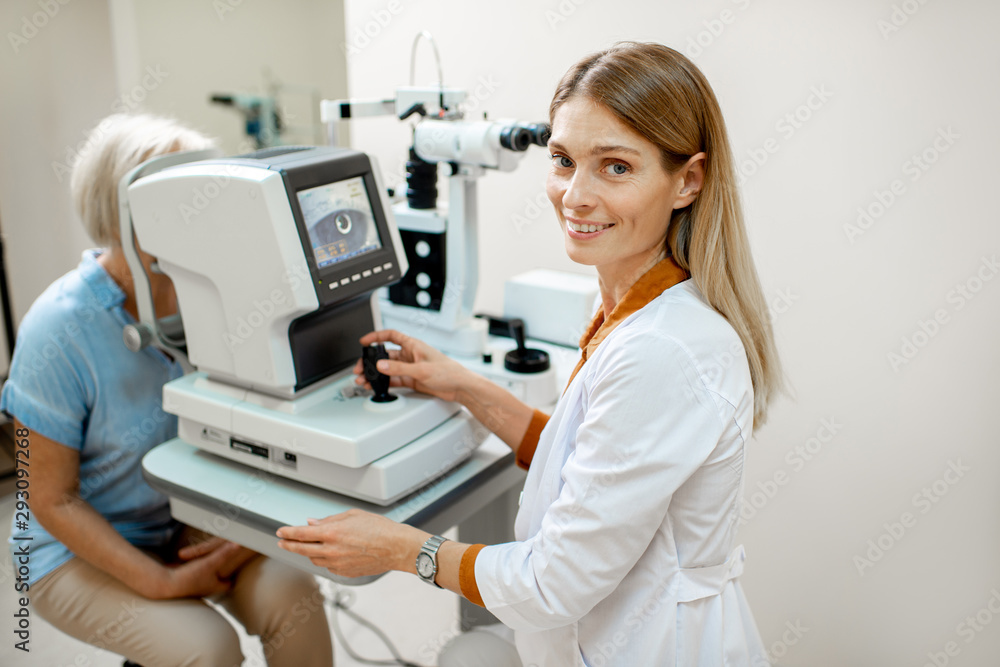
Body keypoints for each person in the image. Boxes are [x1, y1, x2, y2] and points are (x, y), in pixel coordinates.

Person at [275, 41, 782, 666]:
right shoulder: (643, 306)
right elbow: (591, 457)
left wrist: (400, 549)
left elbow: (550, 584)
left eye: (615, 167)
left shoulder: (661, 351)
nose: (575, 196)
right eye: (564, 160)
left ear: (688, 180)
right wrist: (459, 384)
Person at [2, 113, 333, 667]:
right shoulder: (56, 330)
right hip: (67, 550)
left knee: (292, 593)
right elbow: (47, 498)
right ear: (125, 214)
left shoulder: (211, 294)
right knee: (206, 648)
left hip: (184, 516)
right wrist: (159, 582)